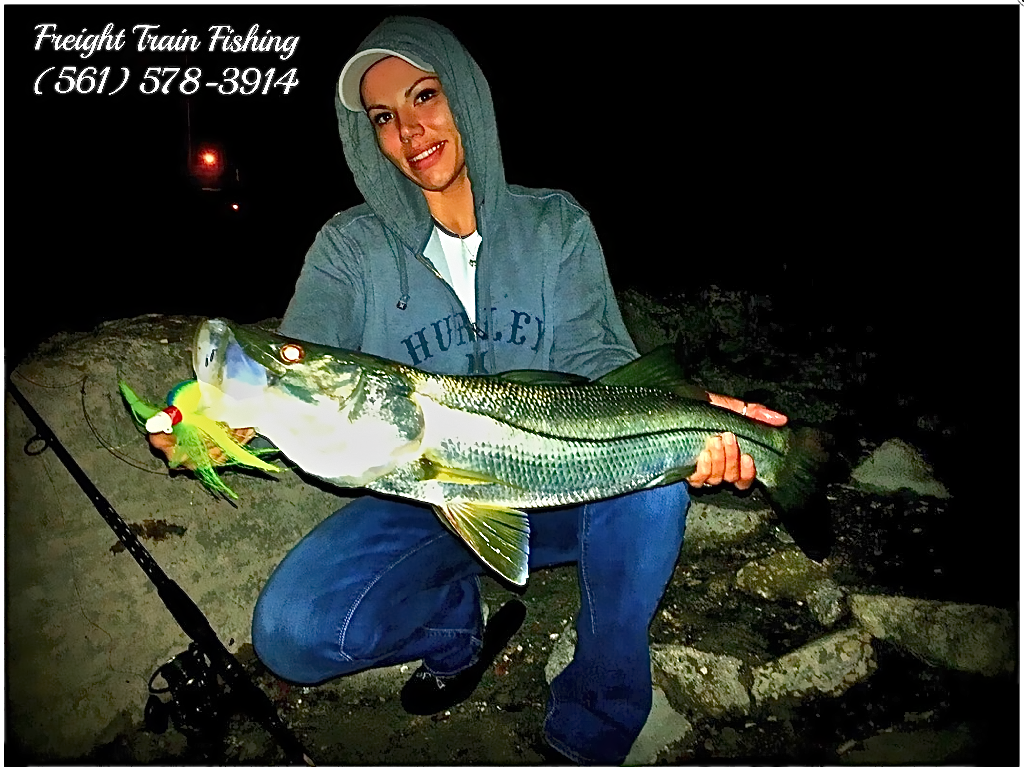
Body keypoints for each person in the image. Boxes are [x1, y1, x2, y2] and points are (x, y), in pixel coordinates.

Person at [150, 16, 787, 764]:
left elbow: (603, 364)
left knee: (655, 486)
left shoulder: (555, 224)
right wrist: (214, 419)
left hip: (569, 486)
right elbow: (301, 364)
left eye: (425, 96)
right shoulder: (349, 248)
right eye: (383, 117)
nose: (408, 130)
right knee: (292, 633)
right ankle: (457, 630)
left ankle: (595, 717)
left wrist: (696, 421)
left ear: (467, 96)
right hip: (416, 497)